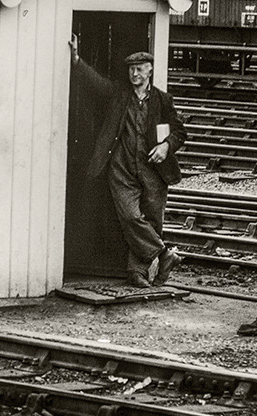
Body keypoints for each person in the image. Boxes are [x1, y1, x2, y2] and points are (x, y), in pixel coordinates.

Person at [69, 35, 187, 287]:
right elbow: (96, 84)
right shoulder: (119, 94)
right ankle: (164, 254)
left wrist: (166, 146)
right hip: (121, 170)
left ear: (149, 71)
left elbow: (179, 132)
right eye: (131, 69)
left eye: (139, 69)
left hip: (154, 171)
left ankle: (138, 273)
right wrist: (77, 61)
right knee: (131, 218)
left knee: (152, 222)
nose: (134, 73)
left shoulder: (162, 100)